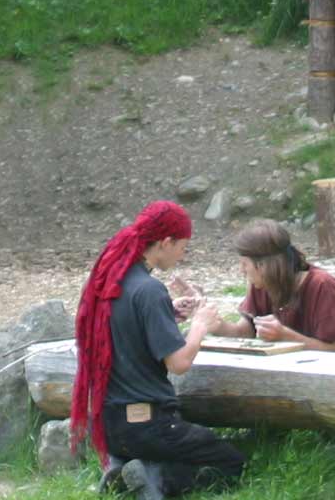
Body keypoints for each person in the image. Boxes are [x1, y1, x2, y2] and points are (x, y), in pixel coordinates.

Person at [71, 200, 248, 499]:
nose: (183, 255)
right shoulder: (151, 290)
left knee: (173, 449)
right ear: (165, 242)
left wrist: (170, 312)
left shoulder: (110, 282)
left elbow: (129, 327)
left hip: (110, 425)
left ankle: (123, 469)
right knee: (232, 462)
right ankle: (157, 479)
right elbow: (178, 363)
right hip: (150, 424)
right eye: (182, 247)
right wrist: (200, 327)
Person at [193, 220, 335, 354]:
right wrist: (217, 325)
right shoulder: (261, 284)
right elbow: (246, 331)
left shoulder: (323, 286)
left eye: (245, 264)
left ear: (264, 266)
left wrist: (286, 336)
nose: (241, 270)